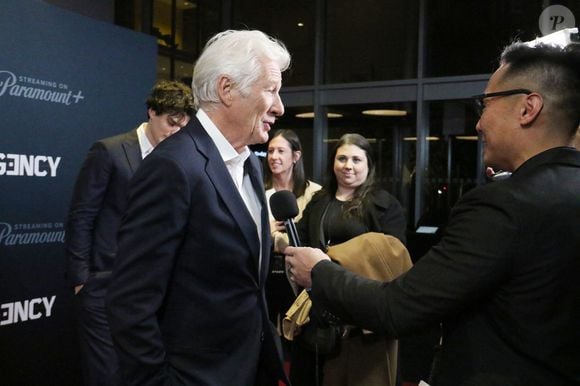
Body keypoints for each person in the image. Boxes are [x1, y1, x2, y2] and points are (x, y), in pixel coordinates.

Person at [285, 42, 580, 386]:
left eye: (485, 104)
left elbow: (396, 307)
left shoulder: (504, 204)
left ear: (528, 108)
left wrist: (319, 271)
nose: (480, 122)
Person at [105, 30, 291, 386]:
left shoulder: (249, 163)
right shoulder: (172, 167)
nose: (280, 107)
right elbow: (130, 303)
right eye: (271, 90)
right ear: (227, 89)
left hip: (249, 367)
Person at [64, 80, 194, 386]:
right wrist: (82, 280)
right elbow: (81, 216)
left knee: (142, 375)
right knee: (106, 376)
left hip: (152, 292)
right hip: (102, 285)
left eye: (182, 126)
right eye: (170, 122)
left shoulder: (177, 160)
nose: (176, 131)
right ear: (151, 112)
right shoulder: (109, 151)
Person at [289, 133, 407, 386]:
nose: (348, 165)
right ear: (333, 163)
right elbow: (298, 238)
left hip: (359, 313)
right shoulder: (320, 201)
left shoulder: (385, 205)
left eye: (356, 159)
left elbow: (394, 258)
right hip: (317, 307)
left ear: (369, 165)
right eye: (342, 158)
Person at [264, 129, 322, 329]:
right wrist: (265, 231)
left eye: (281, 151)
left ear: (295, 156)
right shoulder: (260, 193)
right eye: (270, 151)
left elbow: (310, 240)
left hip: (300, 279)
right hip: (266, 278)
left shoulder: (315, 194)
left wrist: (273, 237)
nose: (274, 157)